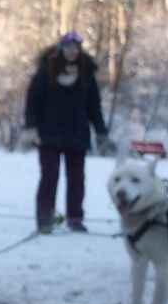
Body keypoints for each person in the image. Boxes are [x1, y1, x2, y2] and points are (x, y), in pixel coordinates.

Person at [22, 31, 109, 232]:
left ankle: (75, 218)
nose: (72, 51)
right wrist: (30, 128)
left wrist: (101, 133)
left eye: (76, 48)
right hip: (48, 134)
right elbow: (32, 102)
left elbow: (94, 106)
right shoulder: (46, 70)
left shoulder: (87, 72)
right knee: (49, 177)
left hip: (77, 134)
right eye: (69, 47)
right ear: (62, 49)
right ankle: (45, 219)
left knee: (77, 179)